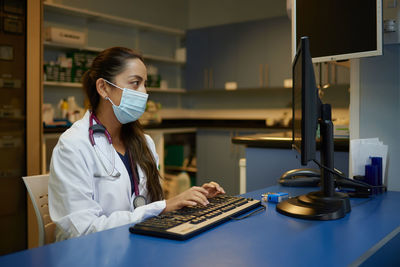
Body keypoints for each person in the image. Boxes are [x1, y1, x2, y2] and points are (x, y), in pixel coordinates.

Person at [49, 47, 225, 241]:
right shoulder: (73, 145)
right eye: (135, 83)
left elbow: (151, 210)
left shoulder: (144, 142)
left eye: (144, 84)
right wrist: (164, 206)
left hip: (138, 243)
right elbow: (82, 231)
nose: (144, 92)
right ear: (103, 88)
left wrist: (190, 201)